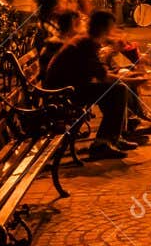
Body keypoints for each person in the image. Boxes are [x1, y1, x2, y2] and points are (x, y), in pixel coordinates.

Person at [44, 8, 137, 157]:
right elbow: (104, 77)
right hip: (63, 95)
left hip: (69, 89)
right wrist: (137, 80)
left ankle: (112, 138)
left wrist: (131, 77)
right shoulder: (87, 44)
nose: (112, 31)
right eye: (110, 27)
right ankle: (102, 144)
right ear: (103, 28)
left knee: (115, 90)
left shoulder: (87, 40)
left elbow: (99, 72)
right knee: (118, 90)